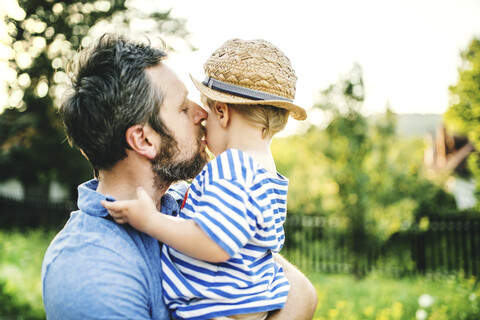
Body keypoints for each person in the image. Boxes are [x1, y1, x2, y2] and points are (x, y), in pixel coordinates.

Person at [41, 33, 317, 320]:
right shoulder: (90, 270)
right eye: (184, 107)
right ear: (144, 140)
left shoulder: (183, 200)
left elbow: (303, 293)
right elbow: (295, 295)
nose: (202, 113)